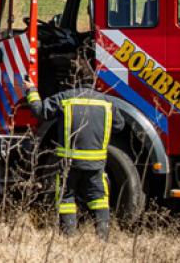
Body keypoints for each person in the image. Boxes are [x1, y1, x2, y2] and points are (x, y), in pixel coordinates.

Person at [24, 78, 124, 240]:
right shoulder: (107, 102)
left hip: (68, 164)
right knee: (99, 199)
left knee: (66, 199)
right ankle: (102, 239)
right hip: (96, 164)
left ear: (74, 82)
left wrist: (31, 91)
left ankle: (69, 237)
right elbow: (119, 126)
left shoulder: (65, 98)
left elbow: (40, 111)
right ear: (95, 84)